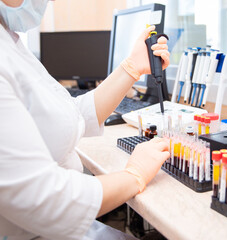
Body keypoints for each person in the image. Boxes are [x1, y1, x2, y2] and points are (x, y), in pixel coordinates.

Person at [0, 0, 170, 239]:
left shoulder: (8, 40)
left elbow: (69, 116)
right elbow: (45, 200)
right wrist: (134, 176)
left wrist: (131, 68)